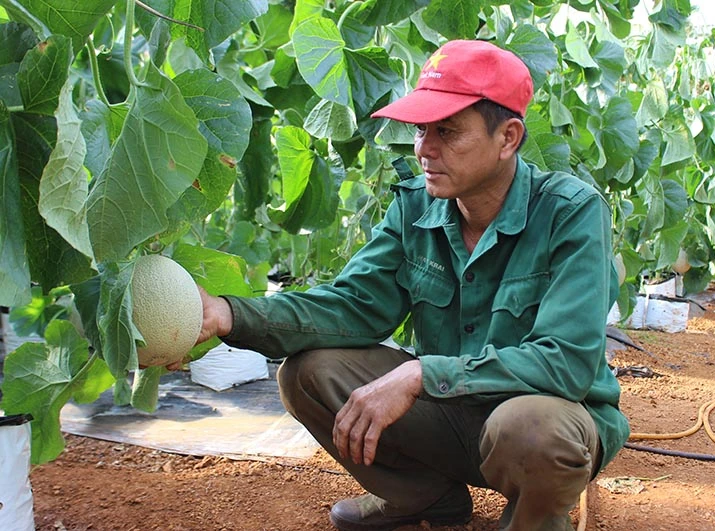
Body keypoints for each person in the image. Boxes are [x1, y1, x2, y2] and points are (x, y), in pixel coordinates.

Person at [193, 39, 630, 531]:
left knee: (530, 429)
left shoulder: (570, 212)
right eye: (422, 129)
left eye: (447, 131)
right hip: (452, 415)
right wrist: (230, 314)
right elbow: (353, 307)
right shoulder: (414, 208)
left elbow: (566, 362)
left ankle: (533, 519)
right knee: (309, 373)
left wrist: (421, 374)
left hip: (543, 425)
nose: (424, 147)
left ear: (508, 138)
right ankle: (423, 498)